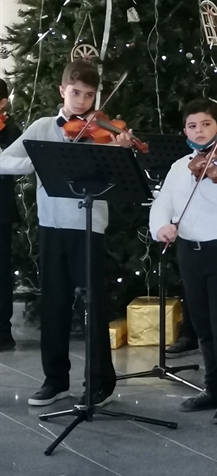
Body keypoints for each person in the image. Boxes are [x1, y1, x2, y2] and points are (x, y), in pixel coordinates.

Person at [0, 59, 131, 405]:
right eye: (76, 93)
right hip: (51, 226)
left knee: (94, 305)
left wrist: (120, 150)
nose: (82, 101)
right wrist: (34, 162)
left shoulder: (103, 131)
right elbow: (3, 161)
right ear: (62, 90)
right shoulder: (43, 127)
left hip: (89, 226)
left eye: (89, 95)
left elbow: (120, 177)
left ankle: (100, 384)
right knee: (54, 304)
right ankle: (55, 381)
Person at [149, 99, 217, 425]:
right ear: (185, 131)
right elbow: (162, 204)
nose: (199, 131)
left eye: (206, 124)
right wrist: (161, 227)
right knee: (204, 327)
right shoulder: (179, 167)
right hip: (190, 252)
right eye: (192, 126)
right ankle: (212, 388)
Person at [0, 79, 22, 352]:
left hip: (0, 210)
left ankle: (2, 331)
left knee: (1, 272)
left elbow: (13, 165)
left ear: (3, 103)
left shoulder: (11, 130)